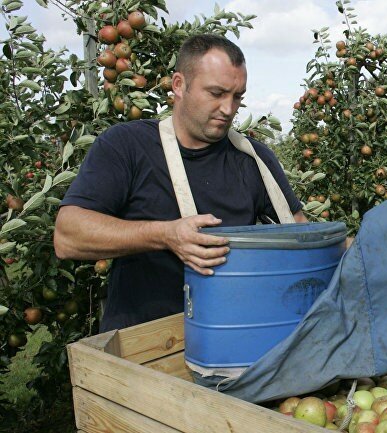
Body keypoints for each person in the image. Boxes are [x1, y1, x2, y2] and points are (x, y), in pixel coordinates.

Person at [54, 34, 307, 332]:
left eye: (237, 96)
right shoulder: (127, 146)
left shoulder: (253, 158)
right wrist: (165, 235)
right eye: (216, 93)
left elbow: (301, 234)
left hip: (230, 336)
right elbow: (68, 235)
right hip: (145, 344)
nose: (229, 109)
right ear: (179, 85)